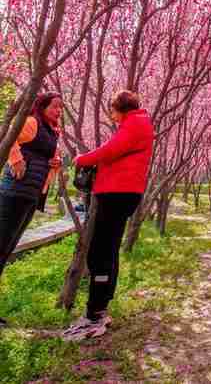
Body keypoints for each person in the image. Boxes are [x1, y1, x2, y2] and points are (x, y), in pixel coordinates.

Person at [63, 90, 154, 341]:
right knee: (108, 250)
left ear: (120, 108)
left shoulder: (135, 123)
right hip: (120, 192)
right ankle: (100, 309)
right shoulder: (137, 122)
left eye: (113, 111)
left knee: (100, 252)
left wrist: (82, 159)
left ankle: (94, 315)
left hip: (118, 193)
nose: (112, 117)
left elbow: (111, 149)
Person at [0, 93, 62, 292]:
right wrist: (16, 160)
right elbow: (10, 136)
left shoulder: (51, 132)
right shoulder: (32, 122)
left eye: (61, 107)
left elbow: (50, 158)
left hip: (31, 195)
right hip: (14, 192)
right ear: (42, 107)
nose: (58, 111)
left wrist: (56, 163)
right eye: (54, 106)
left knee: (7, 248)